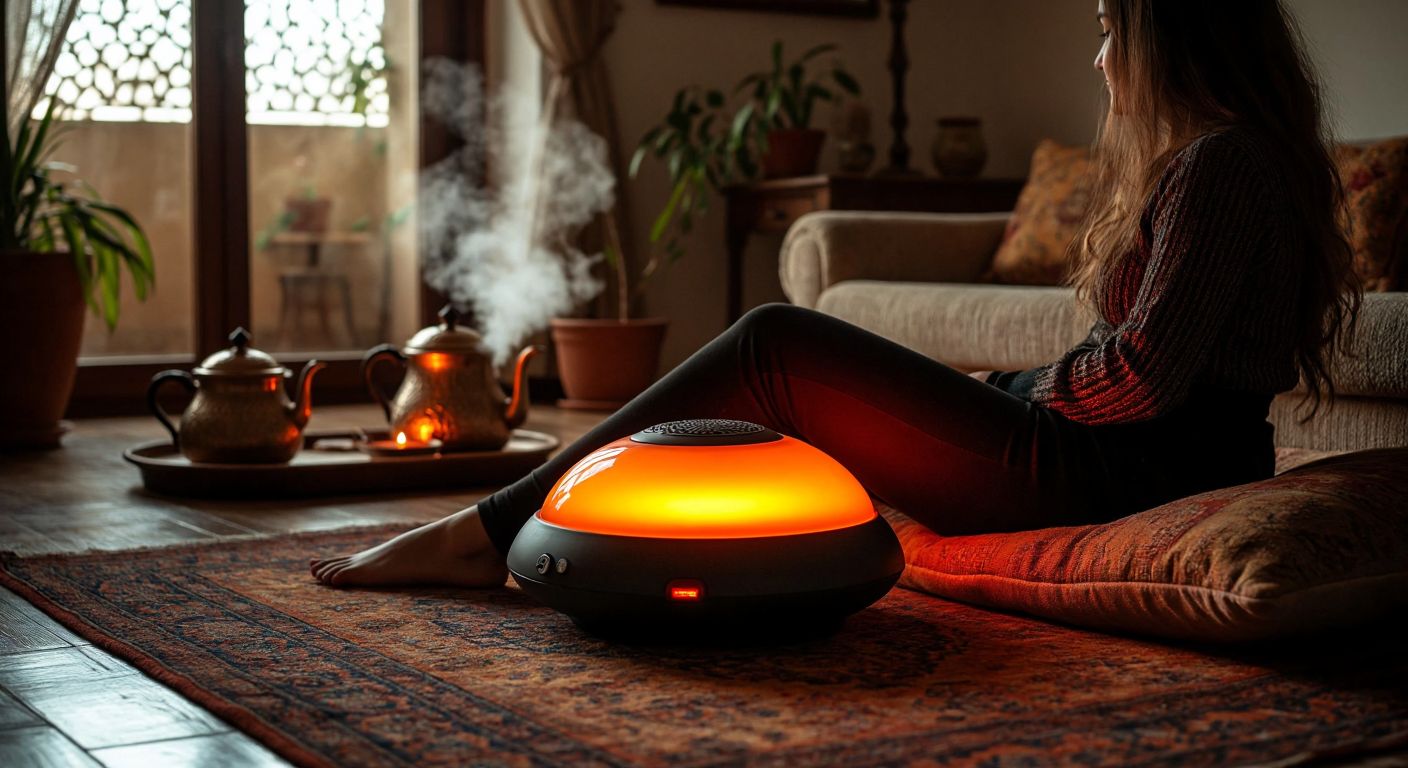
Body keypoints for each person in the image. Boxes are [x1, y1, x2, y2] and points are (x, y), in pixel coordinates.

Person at [311, 0, 1359, 588]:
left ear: (1165, 34)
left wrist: (1024, 387)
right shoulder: (1241, 159)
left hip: (1118, 473)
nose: (1097, 57)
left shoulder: (1221, 164)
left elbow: (1140, 375)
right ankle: (527, 526)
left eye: (1105, 28)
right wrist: (1016, 386)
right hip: (1133, 456)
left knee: (775, 345)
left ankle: (484, 531)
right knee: (788, 362)